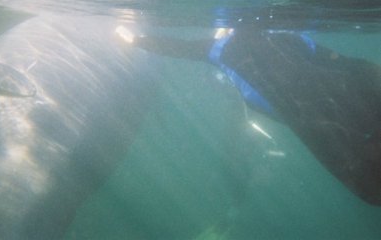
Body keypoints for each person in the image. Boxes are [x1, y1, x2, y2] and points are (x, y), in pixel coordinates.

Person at [116, 23, 381, 206]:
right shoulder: (286, 35)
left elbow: (173, 46)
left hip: (305, 112)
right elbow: (342, 62)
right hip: (337, 97)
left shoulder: (219, 48)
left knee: (368, 185)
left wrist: (132, 39)